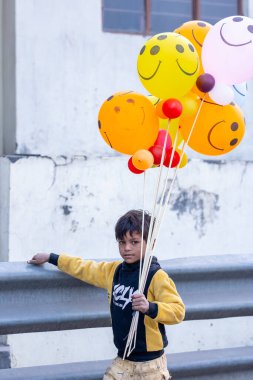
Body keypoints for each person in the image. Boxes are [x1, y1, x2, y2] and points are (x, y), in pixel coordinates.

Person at [28, 209, 185, 379]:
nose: (126, 248)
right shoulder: (114, 271)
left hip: (151, 365)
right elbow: (83, 267)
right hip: (123, 360)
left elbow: (178, 311)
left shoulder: (156, 276)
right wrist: (52, 257)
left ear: (151, 244)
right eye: (121, 242)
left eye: (134, 242)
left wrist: (150, 307)